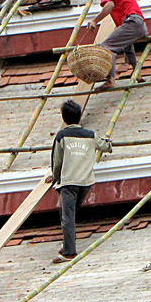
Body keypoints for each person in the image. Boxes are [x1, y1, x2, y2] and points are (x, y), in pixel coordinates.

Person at [47, 99, 113, 262]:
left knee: (67, 216)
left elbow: (57, 162)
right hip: (85, 182)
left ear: (64, 118)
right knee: (68, 213)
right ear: (79, 116)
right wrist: (108, 141)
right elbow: (106, 147)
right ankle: (67, 244)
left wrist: (54, 178)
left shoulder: (61, 136)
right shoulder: (90, 135)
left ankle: (69, 251)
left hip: (69, 183)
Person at [87, 0, 148, 90]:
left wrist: (94, 21)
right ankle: (138, 74)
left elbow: (109, 5)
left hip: (132, 22)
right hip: (138, 25)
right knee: (127, 48)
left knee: (106, 48)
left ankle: (110, 80)